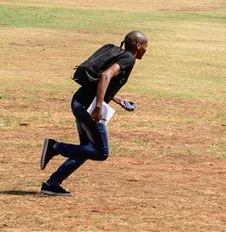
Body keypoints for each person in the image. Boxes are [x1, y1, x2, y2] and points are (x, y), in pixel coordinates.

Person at [40, 31, 149, 196]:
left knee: (86, 149)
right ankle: (55, 147)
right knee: (101, 152)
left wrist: (117, 100)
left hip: (80, 102)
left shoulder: (122, 55)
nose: (146, 50)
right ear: (138, 45)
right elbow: (105, 76)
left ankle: (52, 183)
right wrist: (98, 107)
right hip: (88, 108)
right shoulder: (128, 58)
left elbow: (102, 81)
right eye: (146, 46)